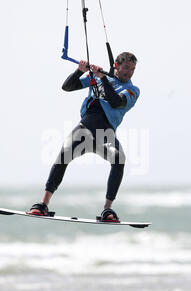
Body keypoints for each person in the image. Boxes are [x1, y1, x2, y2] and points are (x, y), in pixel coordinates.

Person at [28, 52, 140, 222]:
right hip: (85, 129)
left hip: (105, 134)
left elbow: (116, 102)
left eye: (132, 69)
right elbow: (67, 87)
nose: (129, 73)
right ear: (116, 66)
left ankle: (107, 210)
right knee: (63, 155)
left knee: (119, 159)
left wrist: (102, 78)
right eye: (126, 68)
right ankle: (43, 204)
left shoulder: (132, 90)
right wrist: (79, 71)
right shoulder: (97, 77)